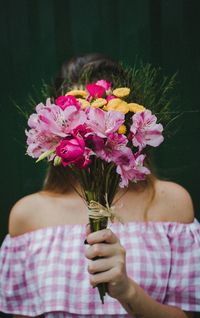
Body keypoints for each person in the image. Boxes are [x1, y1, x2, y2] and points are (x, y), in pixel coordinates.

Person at [0, 53, 199, 318]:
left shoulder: (170, 203)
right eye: (76, 121)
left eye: (100, 115)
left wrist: (128, 292)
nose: (88, 135)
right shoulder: (28, 216)